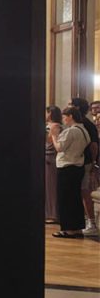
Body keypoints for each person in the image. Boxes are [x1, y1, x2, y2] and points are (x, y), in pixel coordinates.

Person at [51, 106, 91, 238]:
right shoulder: (83, 130)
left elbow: (59, 147)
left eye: (64, 117)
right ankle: (77, 228)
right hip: (77, 167)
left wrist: (54, 136)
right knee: (75, 199)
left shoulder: (71, 131)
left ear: (70, 116)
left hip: (67, 167)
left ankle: (68, 229)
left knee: (65, 199)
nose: (63, 119)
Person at [69, 98, 99, 236]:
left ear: (77, 107)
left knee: (85, 191)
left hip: (85, 161)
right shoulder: (81, 123)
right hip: (80, 161)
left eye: (70, 104)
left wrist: (92, 162)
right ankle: (86, 220)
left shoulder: (86, 124)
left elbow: (93, 145)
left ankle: (91, 223)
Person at [45, 106, 62, 224]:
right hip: (48, 157)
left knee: (50, 187)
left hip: (50, 158)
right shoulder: (50, 126)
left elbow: (50, 142)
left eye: (47, 112)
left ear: (50, 113)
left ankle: (52, 214)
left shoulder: (54, 126)